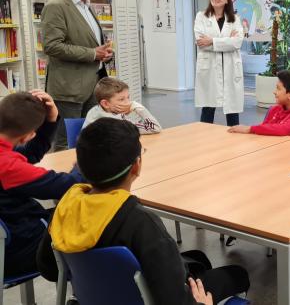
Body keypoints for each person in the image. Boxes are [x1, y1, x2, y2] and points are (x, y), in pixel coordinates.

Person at [36, 119, 250, 305]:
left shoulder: (66, 207)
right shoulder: (141, 222)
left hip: (95, 296)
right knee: (237, 274)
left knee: (198, 259)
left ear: (80, 166)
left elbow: (50, 269)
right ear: (136, 167)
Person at [0, 91, 83, 278]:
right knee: (90, 224)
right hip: (16, 250)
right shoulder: (8, 167)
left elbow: (27, 157)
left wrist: (50, 121)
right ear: (28, 136)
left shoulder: (6, 157)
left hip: (9, 237)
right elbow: (69, 185)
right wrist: (83, 163)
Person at [42, 0, 113, 150]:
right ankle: (64, 179)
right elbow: (52, 46)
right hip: (68, 90)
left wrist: (104, 54)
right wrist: (92, 54)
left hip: (93, 85)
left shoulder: (86, 6)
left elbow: (89, 41)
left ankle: (83, 176)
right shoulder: (56, 6)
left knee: (89, 139)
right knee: (66, 143)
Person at [194, 0, 244, 127]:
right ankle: (205, 138)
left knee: (232, 108)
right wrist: (226, 41)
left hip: (230, 67)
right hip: (209, 67)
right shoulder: (201, 17)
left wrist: (212, 40)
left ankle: (235, 139)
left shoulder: (234, 19)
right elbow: (201, 42)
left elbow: (237, 43)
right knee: (208, 107)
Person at [228, 69, 290, 138]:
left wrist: (249, 129)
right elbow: (264, 130)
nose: (274, 92)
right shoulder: (275, 109)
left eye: (278, 89)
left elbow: (282, 129)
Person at [82, 77, 162, 134]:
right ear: (105, 104)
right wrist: (139, 108)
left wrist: (136, 107)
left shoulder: (114, 113)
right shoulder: (109, 120)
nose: (128, 103)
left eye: (128, 97)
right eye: (121, 99)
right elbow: (155, 128)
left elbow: (154, 128)